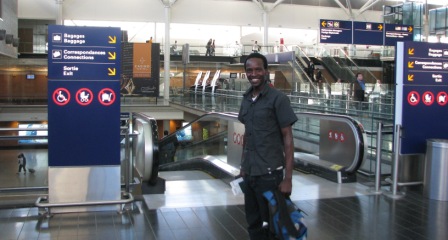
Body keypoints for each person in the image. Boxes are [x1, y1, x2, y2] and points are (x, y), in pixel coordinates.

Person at [238, 52, 298, 240]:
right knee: (254, 223)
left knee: (274, 225)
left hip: (270, 175)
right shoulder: (246, 98)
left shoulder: (278, 99)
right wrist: (243, 166)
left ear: (266, 71)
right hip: (250, 174)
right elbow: (247, 135)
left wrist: (288, 178)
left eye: (258, 69)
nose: (253, 73)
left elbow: (288, 138)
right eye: (249, 70)